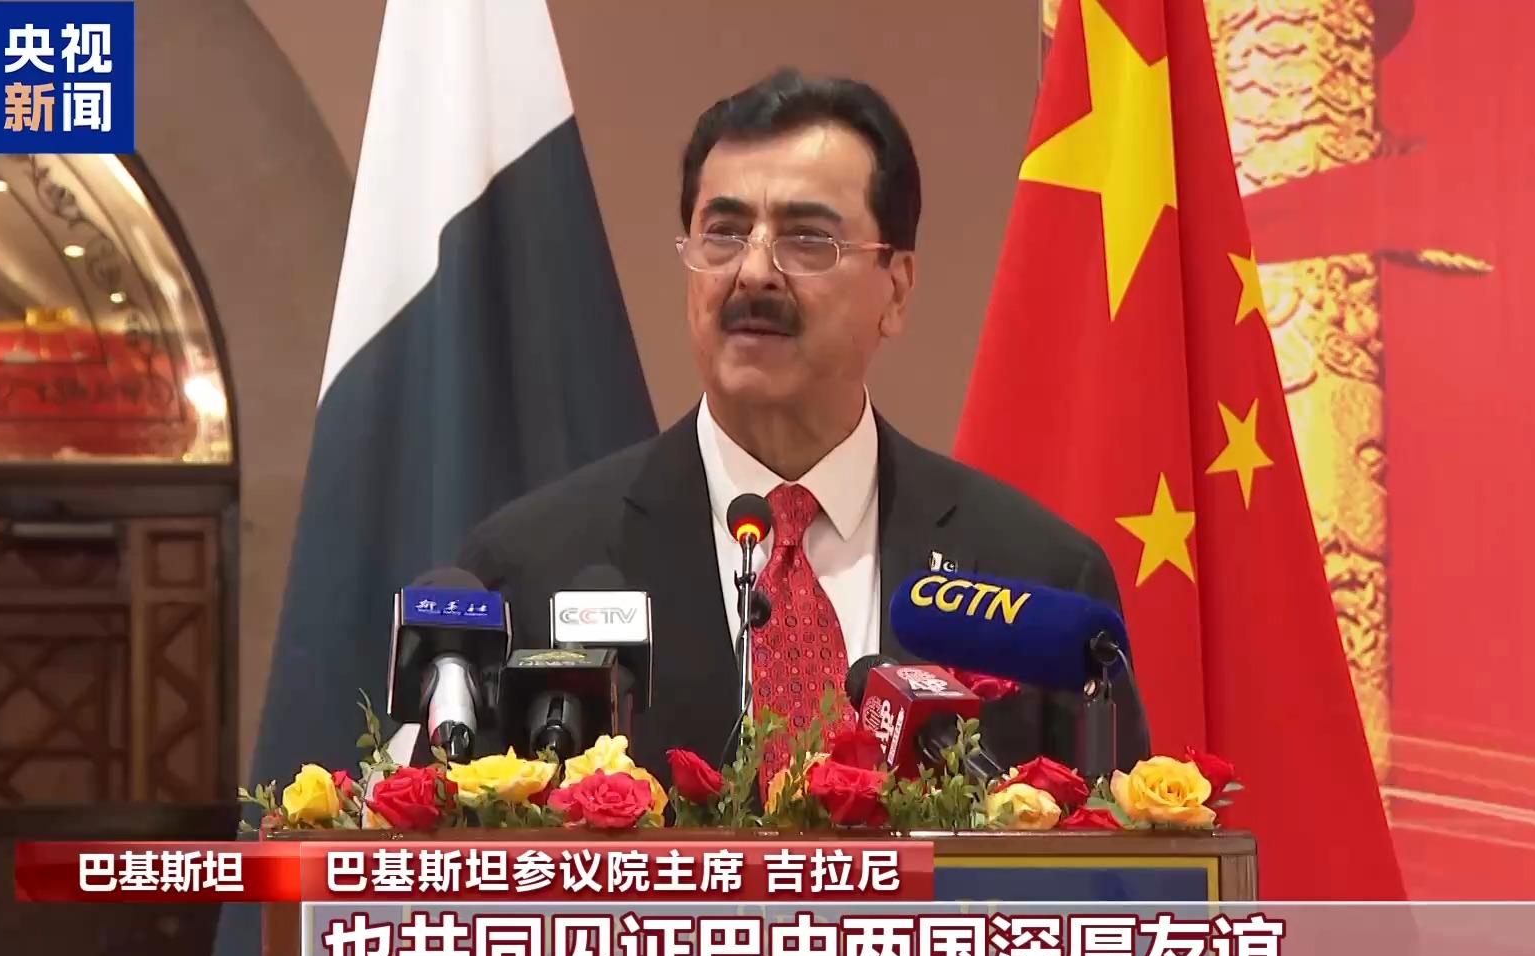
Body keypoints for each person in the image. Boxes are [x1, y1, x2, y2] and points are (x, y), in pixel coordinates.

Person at [460, 68, 1147, 780]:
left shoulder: (1037, 576)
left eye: (807, 239)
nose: (754, 271)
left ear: (897, 289)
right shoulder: (532, 570)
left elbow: (1110, 846)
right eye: (724, 233)